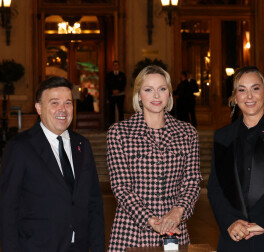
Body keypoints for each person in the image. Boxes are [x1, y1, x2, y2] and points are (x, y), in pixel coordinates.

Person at [0, 77, 105, 252]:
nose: (62, 109)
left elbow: (94, 203)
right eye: (54, 103)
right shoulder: (20, 147)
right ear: (39, 108)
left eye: (68, 103)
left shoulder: (82, 145)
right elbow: (7, 208)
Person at [106, 65, 202, 251]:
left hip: (175, 230)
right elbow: (121, 187)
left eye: (162, 89)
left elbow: (192, 181)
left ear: (169, 94)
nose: (156, 96)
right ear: (139, 95)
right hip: (131, 232)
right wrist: (151, 220)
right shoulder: (119, 133)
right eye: (148, 90)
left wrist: (177, 211)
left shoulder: (187, 132)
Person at [207, 66, 264, 252]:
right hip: (236, 238)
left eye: (255, 88)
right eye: (242, 90)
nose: (249, 96)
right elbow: (216, 187)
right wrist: (230, 222)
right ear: (234, 97)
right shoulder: (223, 136)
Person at [106, 60, 127, 125]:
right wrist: (113, 91)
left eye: (117, 65)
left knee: (120, 110)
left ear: (118, 66)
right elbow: (107, 84)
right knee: (111, 111)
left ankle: (121, 125)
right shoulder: (109, 75)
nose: (115, 66)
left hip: (120, 95)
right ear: (113, 66)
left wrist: (118, 90)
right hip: (112, 95)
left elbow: (124, 84)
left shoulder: (122, 75)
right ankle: (111, 125)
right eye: (114, 65)